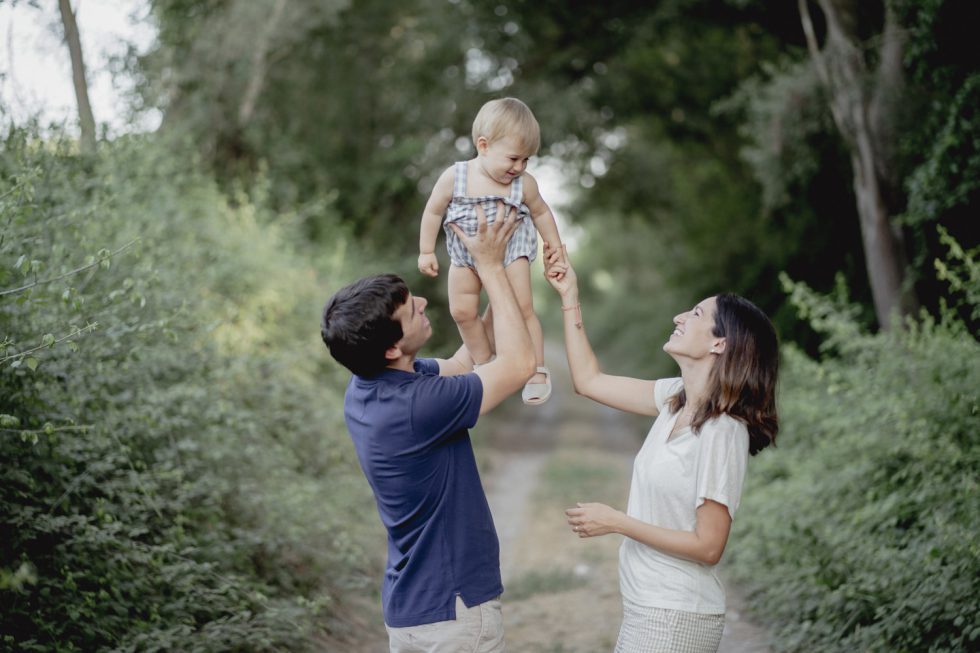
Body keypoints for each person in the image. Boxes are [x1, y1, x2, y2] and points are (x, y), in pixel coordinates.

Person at [321, 202, 535, 653]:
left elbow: (467, 362)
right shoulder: (419, 408)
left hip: (412, 608)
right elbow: (518, 366)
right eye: (410, 310)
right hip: (454, 612)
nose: (421, 302)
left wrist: (505, 280)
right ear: (391, 347)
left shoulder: (369, 388)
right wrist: (493, 268)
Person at [544, 244, 779, 653]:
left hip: (674, 616)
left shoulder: (723, 431)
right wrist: (570, 298)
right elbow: (588, 381)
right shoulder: (676, 399)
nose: (679, 317)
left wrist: (617, 521)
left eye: (696, 314)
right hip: (648, 608)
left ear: (720, 344)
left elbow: (709, 547)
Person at [418, 97, 562, 405]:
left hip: (511, 249)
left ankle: (536, 369)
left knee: (522, 308)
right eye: (513, 158)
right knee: (462, 311)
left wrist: (556, 247)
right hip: (464, 254)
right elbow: (433, 211)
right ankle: (484, 364)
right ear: (483, 145)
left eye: (526, 160)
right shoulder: (455, 177)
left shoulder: (523, 184)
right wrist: (426, 251)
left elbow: (541, 213)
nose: (519, 167)